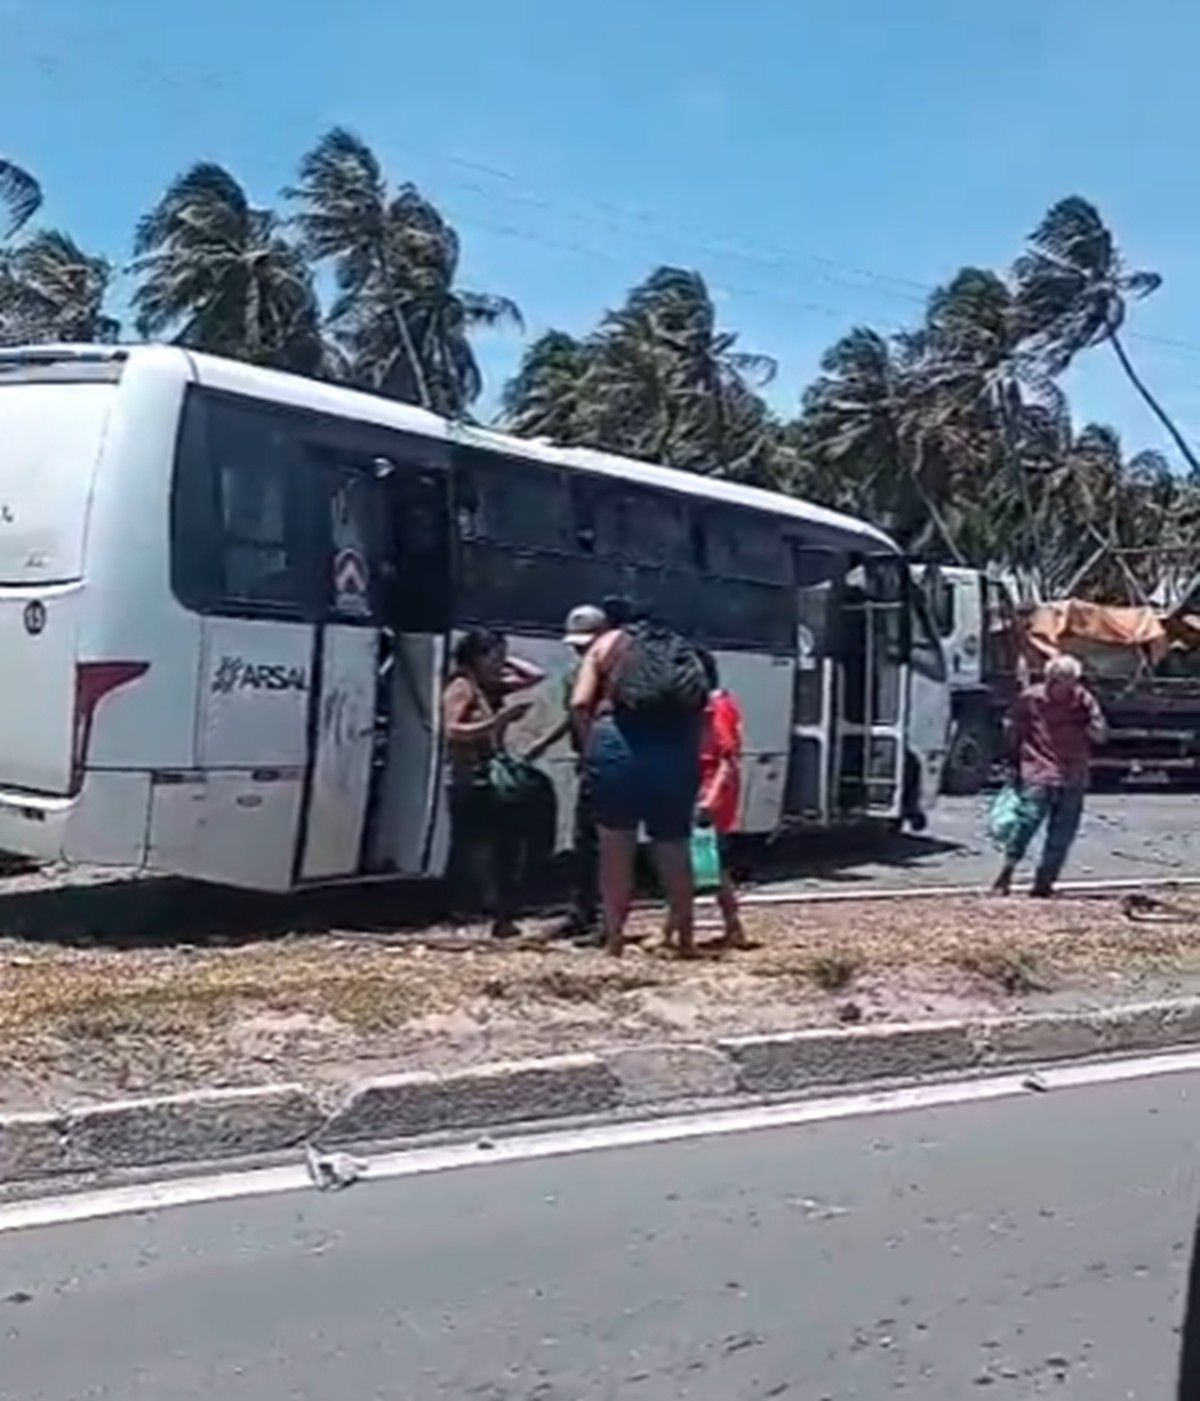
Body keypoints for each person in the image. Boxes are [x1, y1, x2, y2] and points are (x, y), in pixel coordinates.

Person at [571, 611, 706, 957]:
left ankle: (615, 939)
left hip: (617, 745)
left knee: (616, 848)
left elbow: (580, 702)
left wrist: (589, 748)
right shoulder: (684, 649)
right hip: (675, 751)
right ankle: (685, 939)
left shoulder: (605, 644)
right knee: (674, 845)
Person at [441, 628, 544, 937]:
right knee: (471, 845)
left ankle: (499, 912)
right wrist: (496, 723)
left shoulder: (489, 686)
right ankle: (464, 909)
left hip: (489, 776)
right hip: (468, 776)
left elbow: (535, 676)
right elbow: (452, 729)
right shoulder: (461, 687)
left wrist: (504, 658)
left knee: (504, 845)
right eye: (494, 656)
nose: (500, 663)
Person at [526, 604, 612, 941]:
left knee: (600, 844)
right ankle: (585, 913)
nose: (581, 649)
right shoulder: (581, 674)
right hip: (594, 762)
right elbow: (573, 715)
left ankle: (599, 919)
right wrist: (544, 743)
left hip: (603, 763)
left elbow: (581, 711)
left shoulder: (609, 674)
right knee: (587, 842)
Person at [991, 652, 1107, 898]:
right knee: (1026, 824)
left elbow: (1100, 734)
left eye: (1068, 680)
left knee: (1062, 832)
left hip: (1073, 772)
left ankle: (1044, 882)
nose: (1064, 686)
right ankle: (1007, 871)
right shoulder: (1031, 699)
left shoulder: (1083, 701)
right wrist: (1013, 761)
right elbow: (1013, 730)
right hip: (1038, 771)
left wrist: (1088, 721)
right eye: (1058, 680)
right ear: (1049, 679)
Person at [663, 647, 749, 950]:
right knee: (703, 863)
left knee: (696, 861)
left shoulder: (716, 706)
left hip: (709, 791)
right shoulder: (706, 705)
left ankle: (678, 931)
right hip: (700, 788)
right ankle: (724, 927)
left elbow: (727, 758)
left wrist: (708, 801)